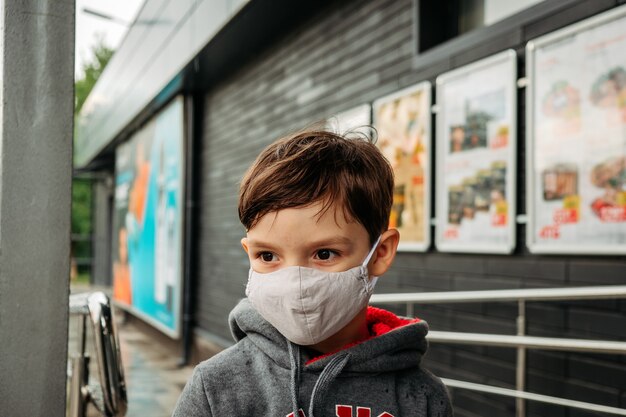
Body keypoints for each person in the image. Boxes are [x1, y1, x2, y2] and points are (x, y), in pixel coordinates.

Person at [172, 129, 453, 417]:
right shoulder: (216, 388)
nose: (297, 282)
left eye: (324, 254)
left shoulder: (422, 399)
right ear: (249, 253)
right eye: (267, 256)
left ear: (380, 253)